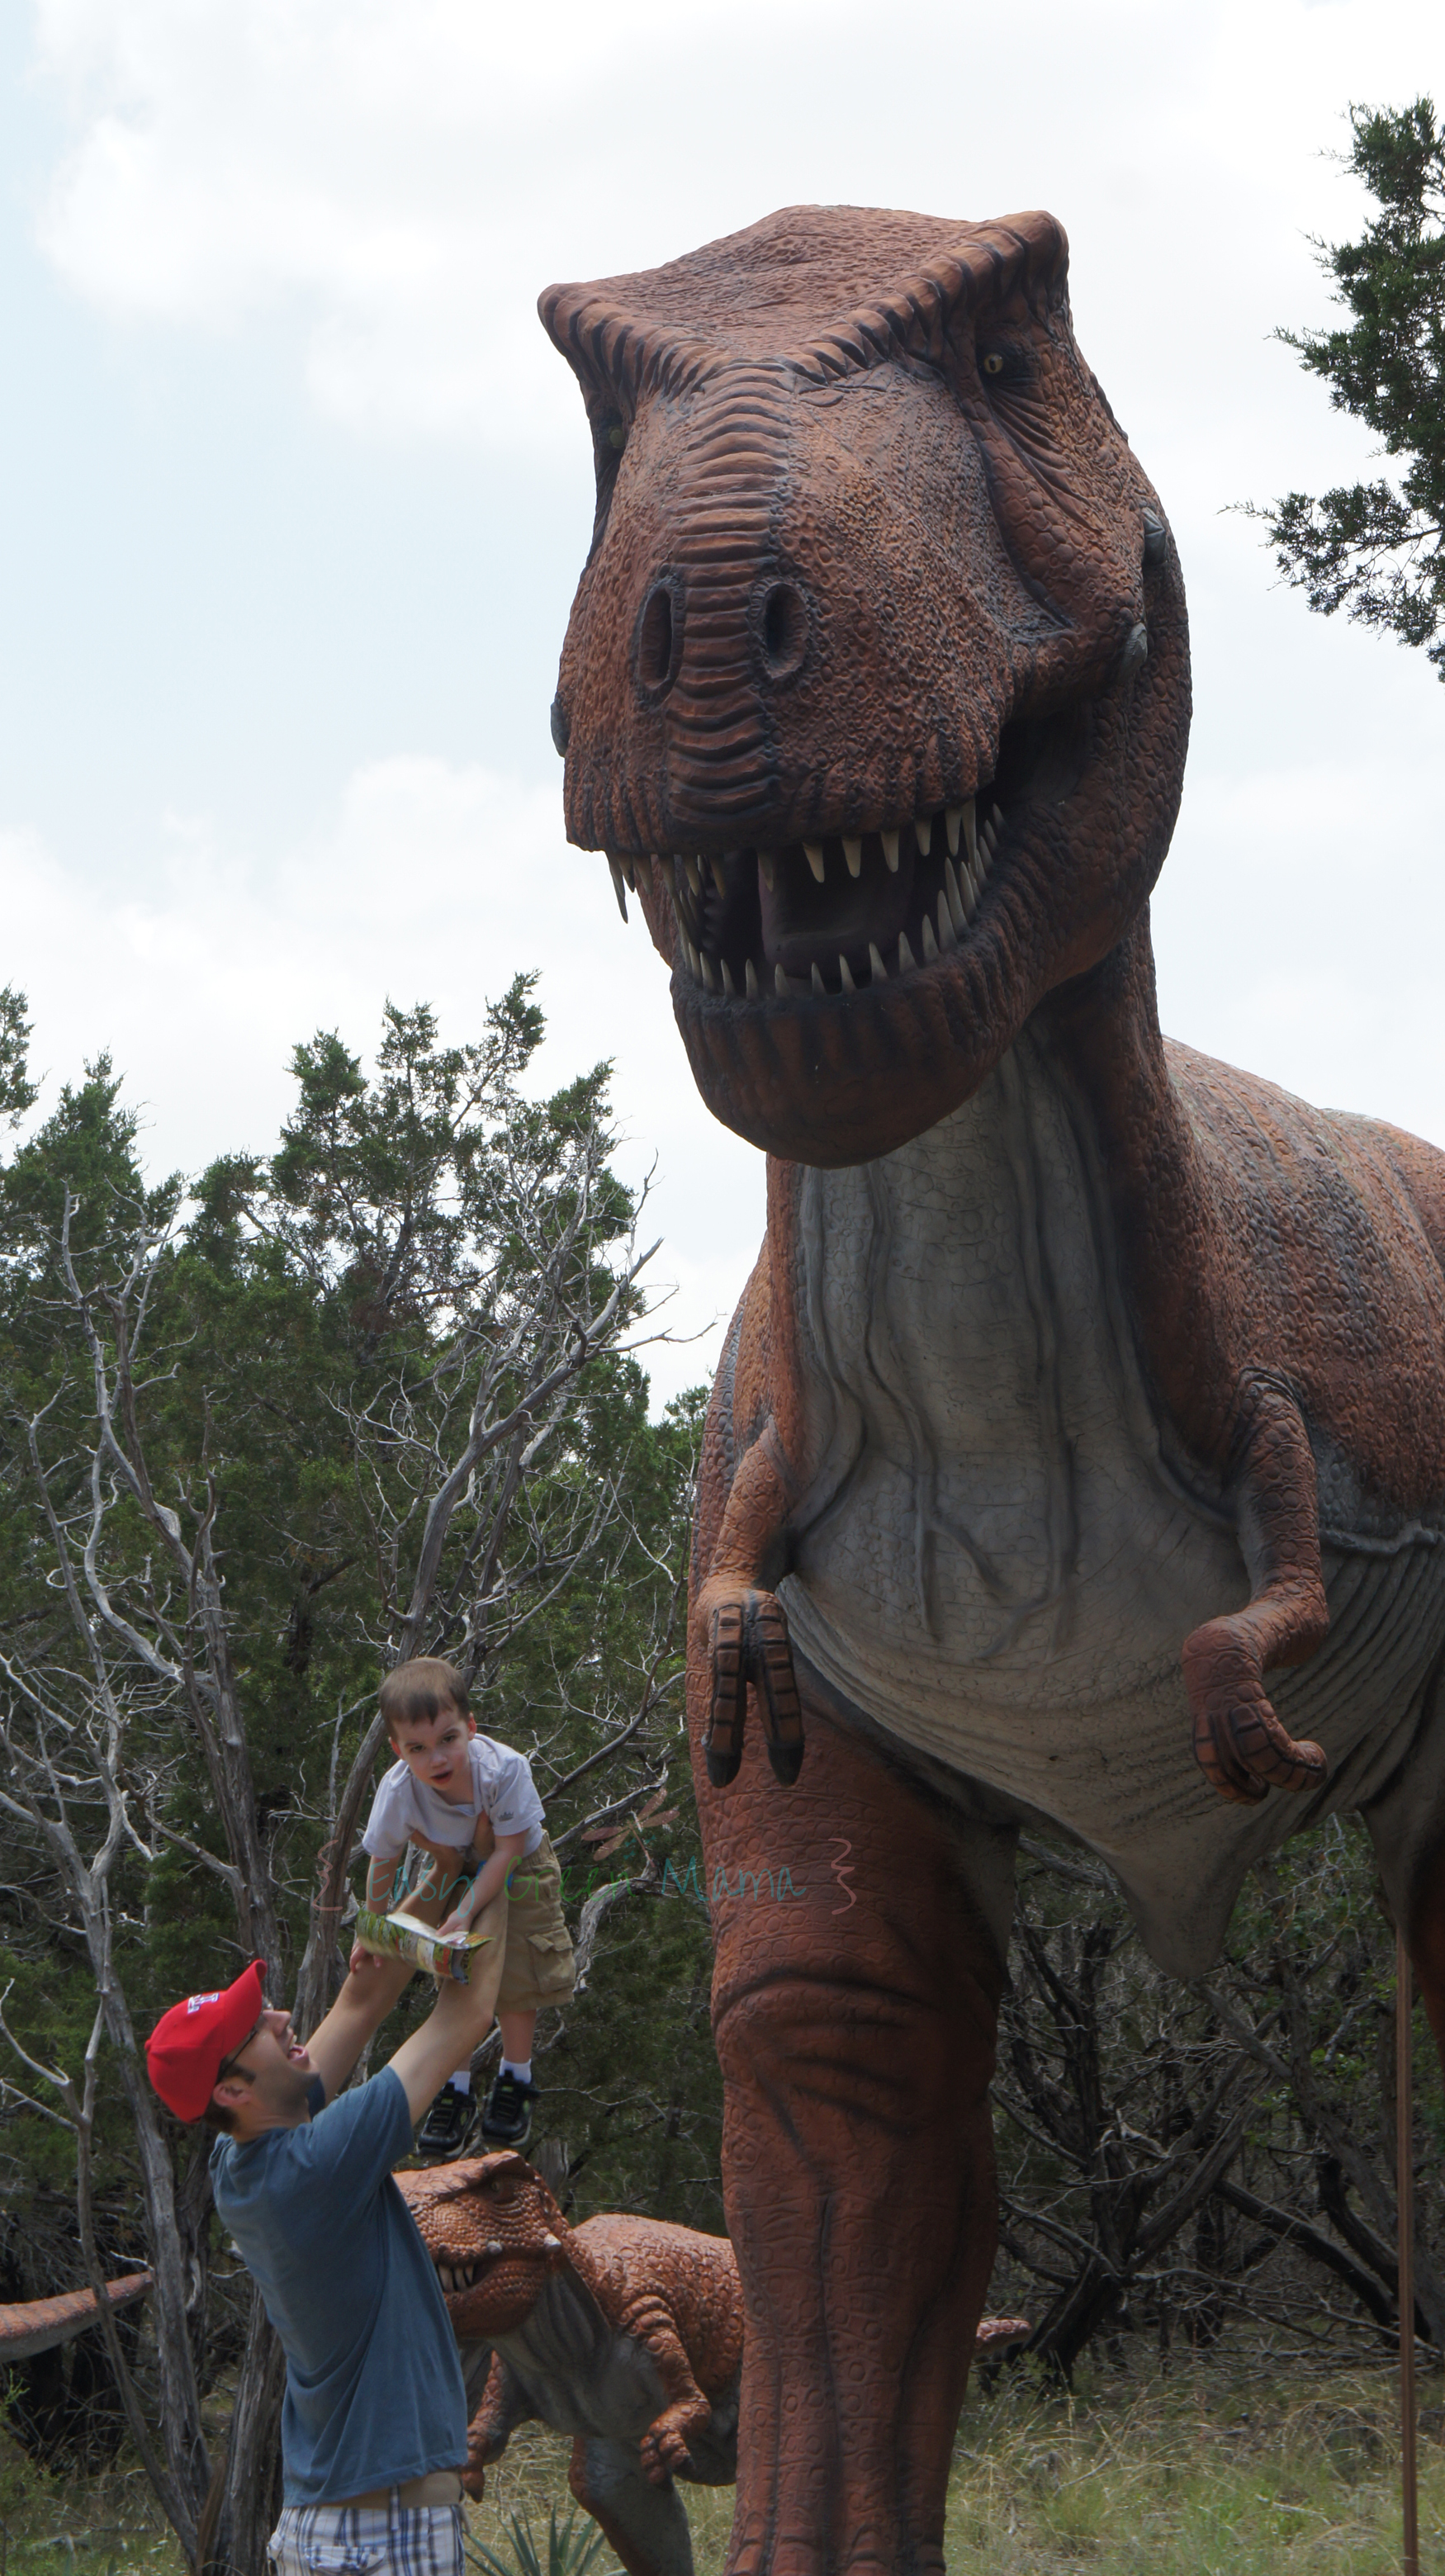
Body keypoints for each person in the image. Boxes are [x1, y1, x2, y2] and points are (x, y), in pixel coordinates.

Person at [144, 1951, 482, 2576]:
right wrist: (505, 1892)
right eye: (257, 2028)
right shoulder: (315, 2168)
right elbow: (463, 2016)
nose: (280, 2017)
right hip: (386, 2534)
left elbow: (361, 2000)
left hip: (339, 2525)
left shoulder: (239, 2161)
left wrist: (408, 1903)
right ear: (232, 2091)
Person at [350, 1656, 576, 2156]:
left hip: (520, 1864)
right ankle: (454, 2088)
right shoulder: (398, 1790)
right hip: (457, 1864)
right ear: (398, 1750)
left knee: (517, 1971)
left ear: (470, 1728)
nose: (437, 1759)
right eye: (418, 1748)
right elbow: (383, 1859)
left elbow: (508, 1851)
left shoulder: (504, 1770)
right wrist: (373, 1926)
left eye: (448, 1739)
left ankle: (516, 2077)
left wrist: (466, 1910)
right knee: (451, 1969)